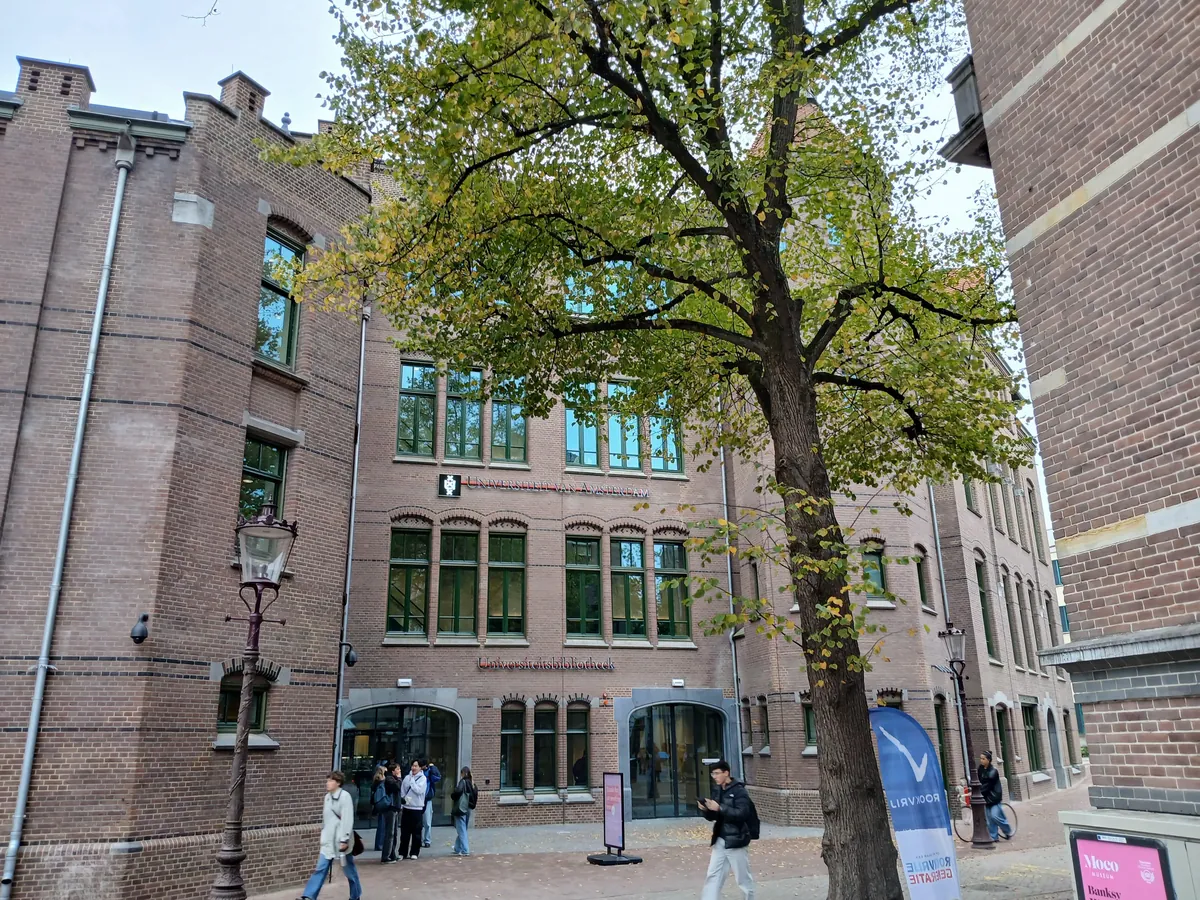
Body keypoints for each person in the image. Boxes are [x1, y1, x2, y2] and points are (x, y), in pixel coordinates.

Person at [298, 771, 361, 900]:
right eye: (327, 780)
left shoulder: (345, 797)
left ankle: (355, 896)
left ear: (338, 783)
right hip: (328, 842)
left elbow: (347, 820)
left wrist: (344, 839)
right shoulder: (327, 797)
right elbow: (326, 820)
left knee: (349, 871)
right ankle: (309, 896)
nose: (327, 783)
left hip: (341, 841)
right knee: (320, 869)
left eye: (331, 781)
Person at [699, 760, 755, 900]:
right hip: (720, 838)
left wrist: (720, 808)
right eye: (713, 774)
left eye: (717, 773)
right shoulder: (717, 790)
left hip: (736, 839)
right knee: (713, 874)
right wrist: (706, 810)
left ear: (726, 773)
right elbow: (714, 816)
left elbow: (743, 813)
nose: (715, 777)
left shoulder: (739, 791)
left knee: (742, 877)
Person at [978, 751, 1012, 841]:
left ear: (988, 760)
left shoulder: (993, 771)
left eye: (983, 759)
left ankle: (1007, 831)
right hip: (985, 797)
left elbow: (987, 786)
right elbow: (978, 782)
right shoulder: (980, 769)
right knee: (989, 820)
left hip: (993, 797)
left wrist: (977, 792)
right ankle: (994, 837)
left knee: (995, 816)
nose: (981, 760)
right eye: (980, 758)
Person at [397, 758, 427, 860]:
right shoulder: (406, 778)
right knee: (404, 832)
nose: (414, 768)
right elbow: (403, 791)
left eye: (416, 766)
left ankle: (414, 852)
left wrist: (413, 781)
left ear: (420, 768)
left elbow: (419, 790)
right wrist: (402, 804)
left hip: (417, 808)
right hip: (407, 807)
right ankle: (402, 852)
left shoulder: (423, 779)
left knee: (416, 832)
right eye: (413, 766)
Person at [450, 766, 478, 856]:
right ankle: (457, 848)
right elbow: (475, 796)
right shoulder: (473, 783)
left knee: (461, 829)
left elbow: (458, 792)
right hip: (468, 808)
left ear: (463, 773)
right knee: (463, 828)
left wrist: (453, 795)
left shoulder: (463, 782)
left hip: (461, 808)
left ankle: (465, 849)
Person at [380, 762, 403, 863]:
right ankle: (386, 856)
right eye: (398, 769)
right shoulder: (389, 779)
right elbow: (396, 787)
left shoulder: (393, 779)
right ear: (393, 771)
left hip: (395, 807)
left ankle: (392, 854)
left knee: (394, 833)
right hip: (390, 808)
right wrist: (399, 778)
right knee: (390, 833)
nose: (399, 771)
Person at [420, 758, 441, 848]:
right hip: (419, 799)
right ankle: (420, 840)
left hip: (427, 799)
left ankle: (427, 840)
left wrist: (433, 768)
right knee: (419, 822)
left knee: (427, 822)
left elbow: (437, 778)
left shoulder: (429, 771)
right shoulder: (418, 772)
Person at [370, 766, 388, 853]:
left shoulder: (376, 780)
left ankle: (379, 844)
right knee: (382, 825)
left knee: (381, 824)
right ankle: (380, 844)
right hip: (382, 803)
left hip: (378, 803)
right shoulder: (382, 781)